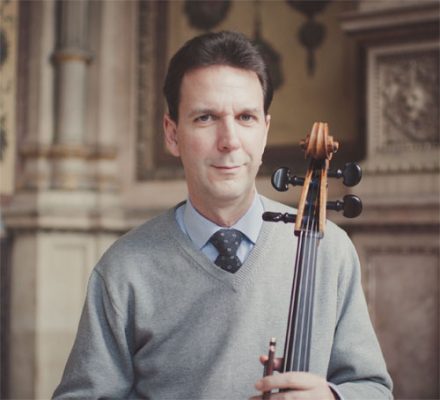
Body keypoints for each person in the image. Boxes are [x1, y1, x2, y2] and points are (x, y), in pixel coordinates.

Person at [53, 31, 392, 399]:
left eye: (246, 117)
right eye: (206, 118)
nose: (229, 140)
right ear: (172, 134)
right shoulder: (123, 269)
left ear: (264, 131)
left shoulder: (330, 250)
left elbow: (374, 389)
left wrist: (331, 397)